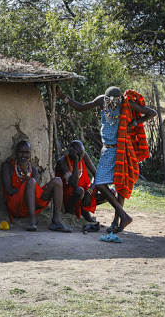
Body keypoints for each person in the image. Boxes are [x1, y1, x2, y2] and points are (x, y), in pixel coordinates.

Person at [55, 85, 157, 232]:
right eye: (112, 101)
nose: (114, 104)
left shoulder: (126, 103)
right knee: (100, 183)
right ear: (107, 98)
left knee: (119, 185)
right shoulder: (101, 101)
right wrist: (63, 96)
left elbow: (151, 113)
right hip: (107, 150)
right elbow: (81, 107)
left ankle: (117, 222)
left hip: (121, 149)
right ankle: (123, 216)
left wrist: (135, 123)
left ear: (120, 98)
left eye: (117, 101)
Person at [2, 140, 71, 232]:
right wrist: (26, 182)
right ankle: (32, 221)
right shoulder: (8, 167)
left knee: (57, 181)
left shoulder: (33, 169)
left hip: (31, 204)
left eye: (27, 152)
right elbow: (9, 190)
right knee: (31, 182)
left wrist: (28, 179)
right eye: (21, 152)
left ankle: (56, 221)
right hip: (17, 205)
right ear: (16, 153)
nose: (24, 155)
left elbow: (33, 191)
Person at [54, 140, 97, 222]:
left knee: (108, 191)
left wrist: (90, 191)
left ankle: (84, 211)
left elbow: (97, 175)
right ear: (70, 151)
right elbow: (74, 184)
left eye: (82, 153)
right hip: (69, 196)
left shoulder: (83, 155)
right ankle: (70, 213)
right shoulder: (62, 162)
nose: (81, 156)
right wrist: (76, 160)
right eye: (78, 154)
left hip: (85, 192)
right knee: (79, 191)